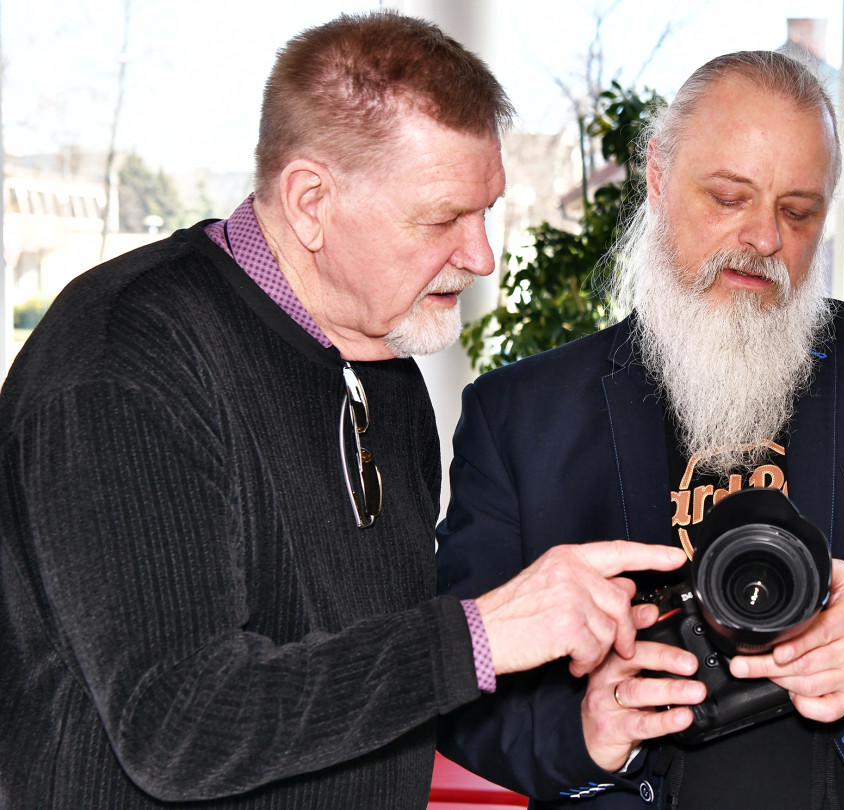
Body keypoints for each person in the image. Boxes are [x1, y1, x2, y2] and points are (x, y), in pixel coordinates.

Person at [0, 12, 688, 809]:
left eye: (486, 212)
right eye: (442, 218)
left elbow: (373, 682)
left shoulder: (383, 365)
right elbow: (180, 725)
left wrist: (582, 724)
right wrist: (478, 635)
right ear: (310, 202)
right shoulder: (123, 362)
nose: (481, 256)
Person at [435, 50, 844, 809]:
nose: (763, 237)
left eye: (798, 212)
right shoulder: (520, 413)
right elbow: (455, 682)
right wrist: (589, 731)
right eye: (730, 197)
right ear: (657, 175)